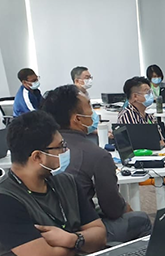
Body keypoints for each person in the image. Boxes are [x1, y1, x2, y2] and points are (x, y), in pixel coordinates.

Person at [0, 110, 107, 256]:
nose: (65, 151)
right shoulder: (0, 201)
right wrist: (84, 243)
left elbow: (100, 234)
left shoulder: (67, 182)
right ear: (38, 157)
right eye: (60, 147)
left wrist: (70, 240)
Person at [41, 85, 152, 244]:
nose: (93, 113)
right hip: (80, 232)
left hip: (45, 229)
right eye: (89, 106)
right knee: (141, 219)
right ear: (77, 119)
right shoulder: (95, 155)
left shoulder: (40, 149)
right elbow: (113, 209)